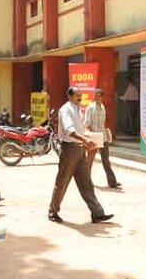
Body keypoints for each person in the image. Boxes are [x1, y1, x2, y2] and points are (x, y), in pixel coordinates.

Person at [48, 87, 113, 224]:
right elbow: (69, 130)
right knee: (62, 182)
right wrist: (85, 140)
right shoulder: (66, 110)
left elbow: (80, 129)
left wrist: (87, 140)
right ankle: (53, 212)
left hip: (79, 149)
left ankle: (97, 213)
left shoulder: (77, 109)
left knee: (87, 183)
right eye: (77, 95)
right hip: (69, 149)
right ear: (70, 96)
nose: (80, 97)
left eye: (81, 95)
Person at [84, 89, 121, 189]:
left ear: (102, 97)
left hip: (103, 137)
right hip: (94, 137)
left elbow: (103, 123)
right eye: (96, 95)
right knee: (90, 160)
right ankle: (86, 182)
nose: (97, 97)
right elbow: (87, 123)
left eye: (99, 96)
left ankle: (112, 182)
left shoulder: (103, 107)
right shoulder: (90, 108)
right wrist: (94, 135)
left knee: (106, 160)